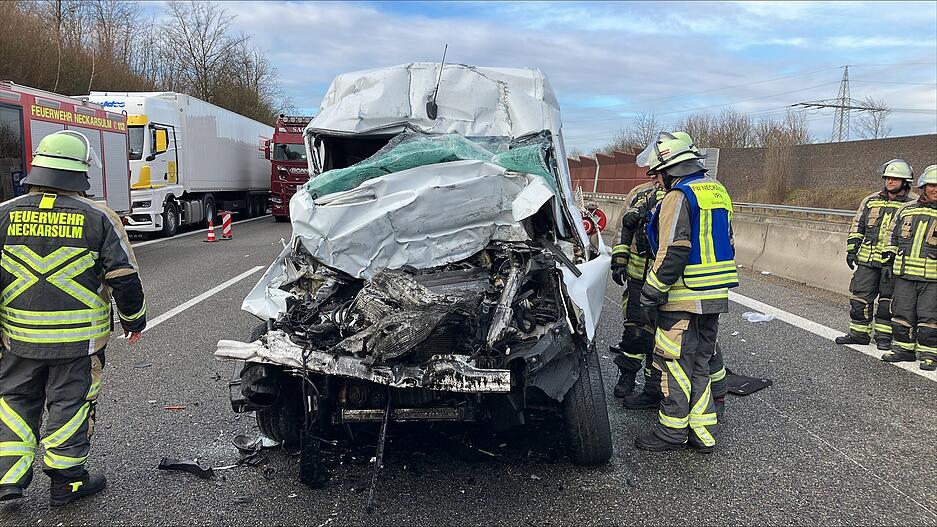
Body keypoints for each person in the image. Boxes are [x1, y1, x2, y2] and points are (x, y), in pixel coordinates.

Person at [0, 131, 146, 505]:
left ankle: (8, 480)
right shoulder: (99, 217)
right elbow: (123, 276)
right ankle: (67, 483)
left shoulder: (3, 213)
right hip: (79, 342)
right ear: (81, 173)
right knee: (71, 402)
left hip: (18, 339)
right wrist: (134, 320)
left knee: (14, 400)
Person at [633, 131, 738, 454]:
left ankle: (672, 431)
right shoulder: (717, 191)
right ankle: (703, 432)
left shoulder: (678, 197)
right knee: (700, 363)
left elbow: (674, 250)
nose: (658, 182)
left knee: (674, 364)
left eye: (658, 174)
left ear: (670, 169)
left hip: (682, 295)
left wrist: (650, 293)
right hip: (714, 294)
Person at [836, 160, 916, 349]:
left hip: (894, 263)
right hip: (867, 260)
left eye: (895, 179)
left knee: (888, 303)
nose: (890, 182)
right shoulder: (871, 200)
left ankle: (883, 338)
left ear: (905, 181)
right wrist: (852, 249)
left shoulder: (913, 204)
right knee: (860, 297)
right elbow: (858, 225)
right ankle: (859, 334)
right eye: (888, 178)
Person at [610, 173, 663, 399]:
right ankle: (627, 376)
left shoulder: (680, 194)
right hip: (638, 276)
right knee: (634, 329)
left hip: (666, 279)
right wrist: (619, 261)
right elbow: (623, 229)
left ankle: (653, 387)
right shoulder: (640, 193)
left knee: (659, 336)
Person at [881, 165, 936, 370]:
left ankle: (930, 354)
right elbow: (892, 236)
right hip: (904, 275)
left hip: (932, 278)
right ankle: (904, 349)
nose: (935, 189)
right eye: (931, 185)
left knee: (929, 317)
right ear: (923, 186)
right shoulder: (907, 209)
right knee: (902, 313)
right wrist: (888, 260)